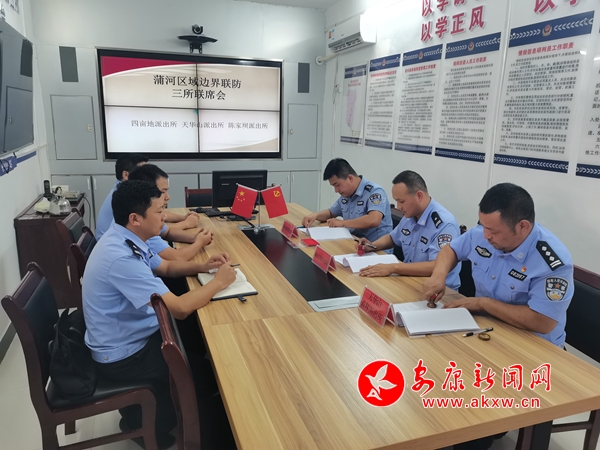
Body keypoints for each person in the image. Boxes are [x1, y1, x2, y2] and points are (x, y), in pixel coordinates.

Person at [82, 180, 236, 449]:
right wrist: (219, 282)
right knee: (203, 372)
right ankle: (164, 427)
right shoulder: (120, 257)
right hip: (124, 357)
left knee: (196, 345)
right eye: (158, 211)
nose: (164, 217)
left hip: (131, 335)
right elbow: (179, 308)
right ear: (135, 218)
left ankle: (159, 415)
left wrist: (204, 267)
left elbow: (165, 267)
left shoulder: (125, 237)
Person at [423, 182, 573, 347]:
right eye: (483, 226)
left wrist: (483, 304)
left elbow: (542, 321)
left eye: (493, 231)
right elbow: (450, 250)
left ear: (523, 226)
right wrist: (439, 275)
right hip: (487, 330)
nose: (486, 236)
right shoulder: (482, 234)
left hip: (533, 346)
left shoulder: (552, 262)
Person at [357, 170, 461, 291]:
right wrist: (372, 246)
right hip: (409, 282)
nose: (398, 207)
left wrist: (393, 268)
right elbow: (393, 238)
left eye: (401, 201)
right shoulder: (410, 215)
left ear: (419, 196)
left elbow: (436, 266)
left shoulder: (444, 224)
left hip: (438, 292)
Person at [128, 164, 212, 261]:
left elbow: (167, 231)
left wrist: (194, 237)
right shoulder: (142, 226)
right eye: (163, 192)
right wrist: (199, 243)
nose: (168, 197)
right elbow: (177, 257)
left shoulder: (145, 214)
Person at [301, 158, 393, 245]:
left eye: (337, 185)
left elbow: (374, 220)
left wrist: (343, 223)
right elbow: (330, 213)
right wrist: (314, 216)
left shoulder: (375, 192)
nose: (336, 190)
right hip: (354, 243)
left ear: (350, 178)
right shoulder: (347, 194)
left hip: (376, 249)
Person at [95, 153, 148, 241]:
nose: (148, 177)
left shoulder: (121, 189)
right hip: (112, 244)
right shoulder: (127, 196)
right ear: (126, 175)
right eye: (142, 172)